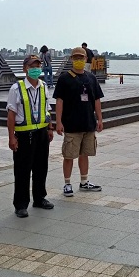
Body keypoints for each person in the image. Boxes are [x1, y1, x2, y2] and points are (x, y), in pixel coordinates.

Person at [7, 55, 55, 218]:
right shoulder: (16, 88)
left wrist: (50, 128)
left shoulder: (43, 86)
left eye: (38, 65)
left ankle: (40, 198)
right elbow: (11, 114)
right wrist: (11, 137)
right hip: (23, 134)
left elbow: (47, 109)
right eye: (32, 65)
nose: (36, 68)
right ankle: (20, 204)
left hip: (41, 133)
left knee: (41, 167)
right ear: (25, 68)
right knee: (22, 170)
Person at [53, 46, 104, 196]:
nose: (78, 60)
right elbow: (59, 101)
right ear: (71, 59)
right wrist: (59, 121)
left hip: (88, 123)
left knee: (85, 154)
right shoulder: (64, 78)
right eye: (75, 58)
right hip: (71, 124)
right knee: (69, 155)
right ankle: (67, 183)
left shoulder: (91, 78)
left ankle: (84, 182)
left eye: (81, 58)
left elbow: (97, 100)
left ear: (86, 59)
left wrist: (99, 119)